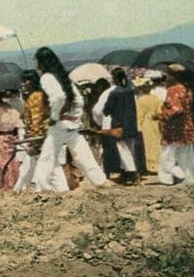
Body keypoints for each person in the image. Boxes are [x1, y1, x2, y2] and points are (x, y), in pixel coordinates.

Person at [31, 47, 111, 191]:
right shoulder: (63, 76)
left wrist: (55, 116)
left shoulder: (47, 78)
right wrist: (75, 116)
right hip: (72, 122)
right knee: (82, 153)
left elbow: (58, 97)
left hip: (60, 123)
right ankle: (100, 181)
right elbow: (78, 99)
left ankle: (42, 187)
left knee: (48, 156)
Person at [14, 70, 68, 193]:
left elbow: (37, 121)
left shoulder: (35, 98)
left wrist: (35, 144)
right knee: (29, 168)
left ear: (32, 82)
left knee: (50, 169)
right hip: (46, 136)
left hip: (40, 139)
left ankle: (61, 191)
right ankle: (19, 190)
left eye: (25, 81)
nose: (23, 84)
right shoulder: (42, 96)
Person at [154, 63, 194, 185]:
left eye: (168, 75)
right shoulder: (186, 89)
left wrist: (160, 115)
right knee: (187, 157)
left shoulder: (173, 90)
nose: (166, 78)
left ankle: (169, 178)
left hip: (174, 129)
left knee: (167, 157)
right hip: (187, 127)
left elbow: (176, 109)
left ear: (173, 76)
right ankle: (190, 180)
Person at [103, 67, 141, 185]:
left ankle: (132, 173)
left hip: (119, 125)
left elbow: (106, 110)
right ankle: (127, 173)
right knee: (131, 150)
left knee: (123, 151)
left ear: (114, 78)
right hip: (131, 124)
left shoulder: (114, 93)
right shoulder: (130, 90)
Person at [0, 86, 24, 191]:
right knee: (11, 163)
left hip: (0, 138)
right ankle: (13, 185)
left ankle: (1, 186)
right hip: (12, 138)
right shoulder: (15, 112)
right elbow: (20, 127)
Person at [134, 77, 163, 173]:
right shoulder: (156, 98)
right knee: (156, 143)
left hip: (145, 125)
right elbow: (160, 111)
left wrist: (137, 126)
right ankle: (158, 164)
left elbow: (139, 115)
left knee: (147, 144)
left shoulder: (140, 101)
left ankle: (149, 166)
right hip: (155, 122)